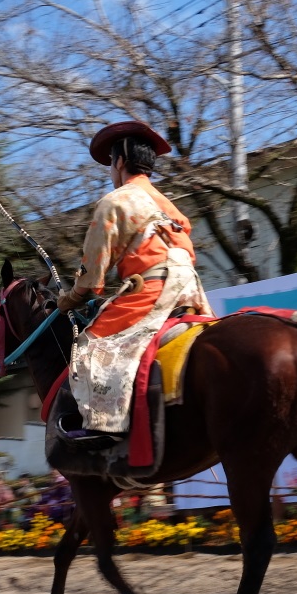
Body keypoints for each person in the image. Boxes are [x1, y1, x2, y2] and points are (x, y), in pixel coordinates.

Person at [55, 121, 213, 442]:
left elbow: (92, 281)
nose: (111, 171)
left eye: (111, 163)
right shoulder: (169, 205)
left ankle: (105, 425)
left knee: (92, 345)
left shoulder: (115, 202)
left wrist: (67, 299)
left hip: (154, 290)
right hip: (192, 292)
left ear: (120, 162)